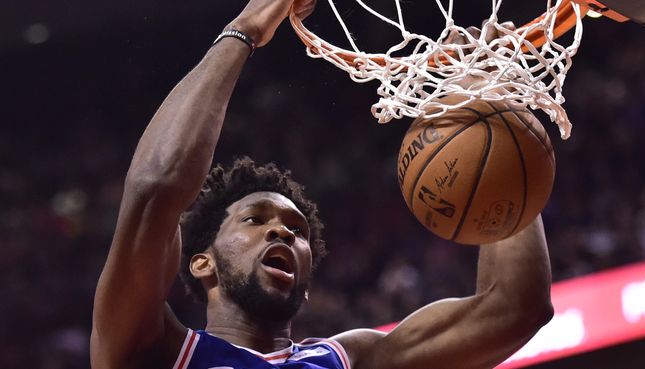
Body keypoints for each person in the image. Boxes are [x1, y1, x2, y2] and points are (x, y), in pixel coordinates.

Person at [90, 0, 554, 368]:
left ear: (306, 281)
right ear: (201, 263)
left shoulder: (350, 360)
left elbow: (514, 307)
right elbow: (155, 192)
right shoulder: (154, 353)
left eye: (298, 231)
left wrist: (492, 109)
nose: (283, 233)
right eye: (255, 219)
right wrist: (246, 28)